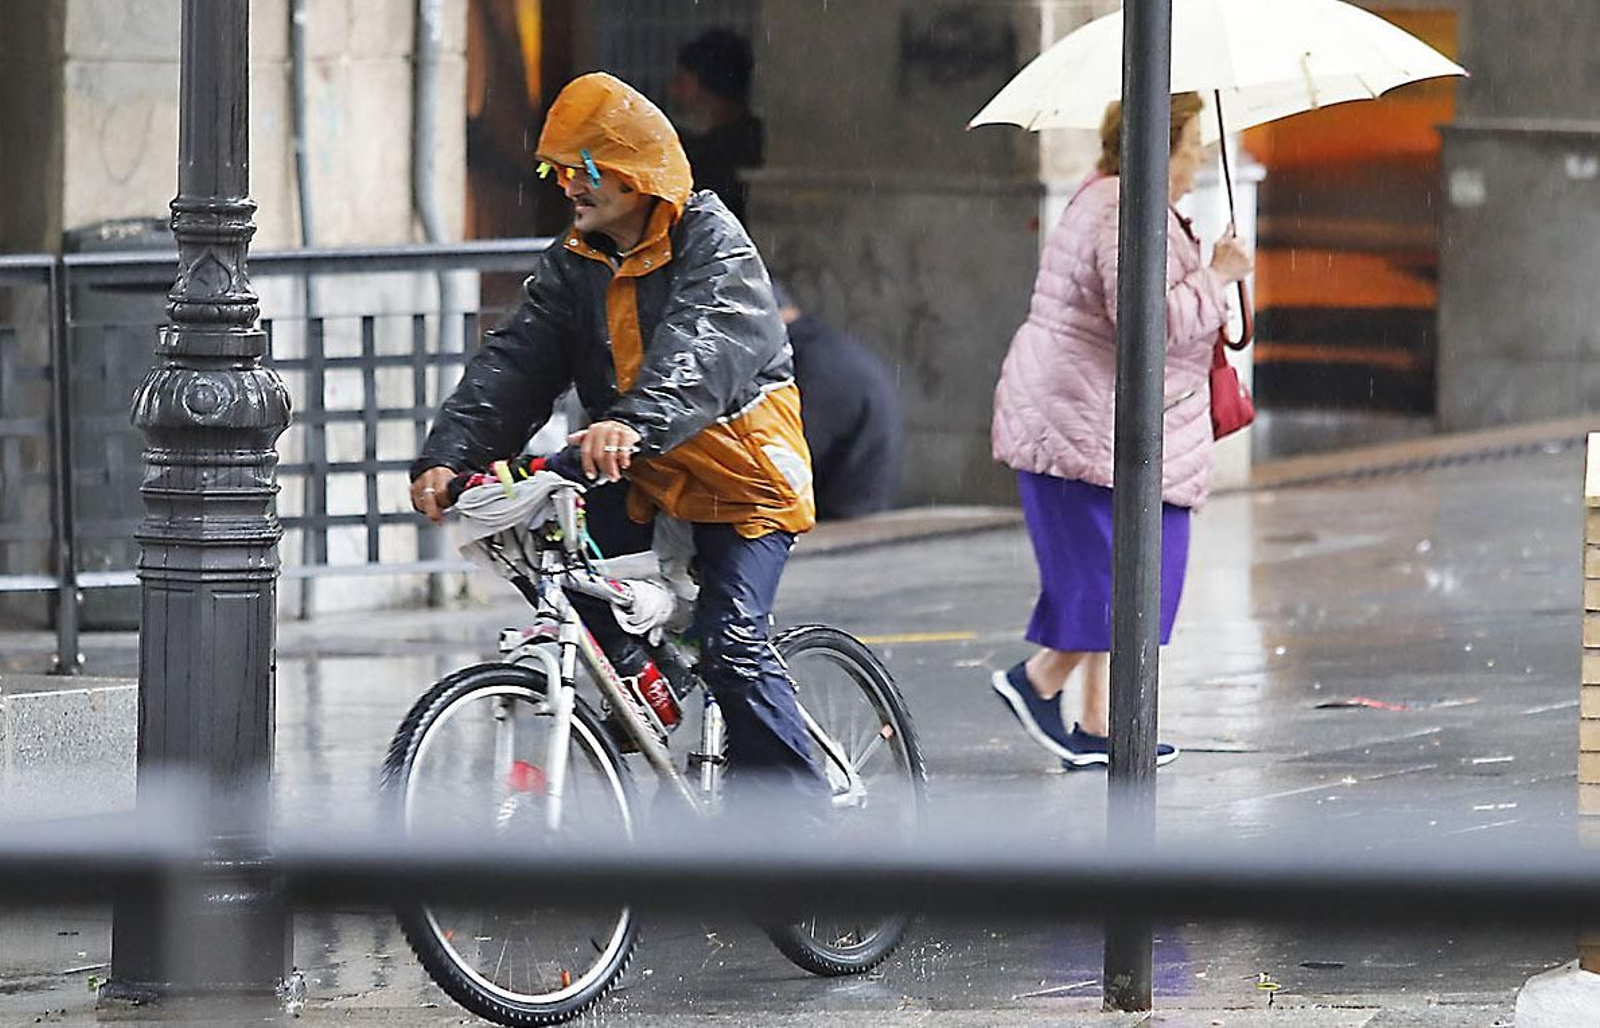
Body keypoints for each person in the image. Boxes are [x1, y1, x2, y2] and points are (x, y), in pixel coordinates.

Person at [409, 72, 825, 806]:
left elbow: (701, 349)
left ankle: (803, 842)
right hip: (640, 472)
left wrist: (631, 421)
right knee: (551, 560)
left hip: (743, 482)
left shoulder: (714, 246)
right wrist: (453, 455)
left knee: (734, 646)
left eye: (587, 169)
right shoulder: (576, 260)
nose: (570, 185)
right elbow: (516, 360)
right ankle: (639, 670)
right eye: (559, 170)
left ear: (641, 174)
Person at [987, 92, 1254, 770]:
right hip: (1083, 419)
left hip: (1097, 418)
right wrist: (1218, 278)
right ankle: (1039, 681)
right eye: (1192, 144)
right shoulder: (1121, 211)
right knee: (1134, 578)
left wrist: (1208, 269)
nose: (1199, 159)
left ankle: (1102, 724)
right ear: (1159, 145)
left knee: (1118, 573)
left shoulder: (1126, 203)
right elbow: (1146, 321)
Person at [776, 285, 904, 519]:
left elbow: (783, 463)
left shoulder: (820, 366)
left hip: (842, 520)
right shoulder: (830, 352)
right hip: (855, 513)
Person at [667, 28, 764, 224]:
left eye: (682, 81)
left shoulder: (734, 146)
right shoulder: (743, 136)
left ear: (706, 86)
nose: (672, 91)